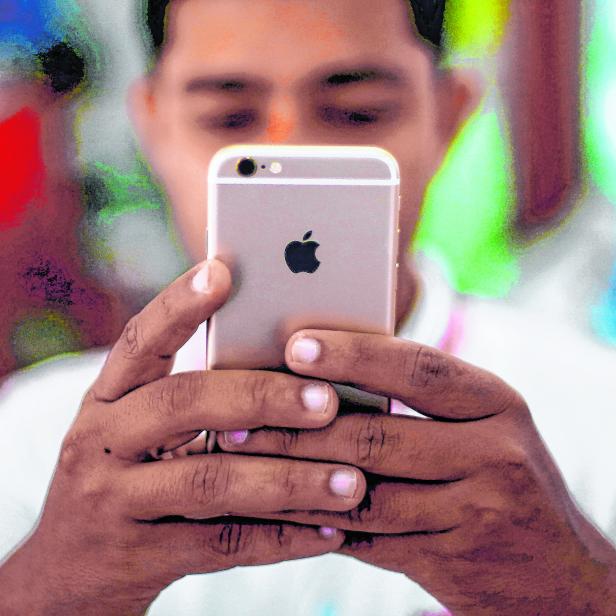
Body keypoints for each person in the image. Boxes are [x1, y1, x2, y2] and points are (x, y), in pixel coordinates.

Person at [1, 1, 616, 614]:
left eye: (357, 112)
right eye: (228, 116)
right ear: (153, 125)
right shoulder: (35, 440)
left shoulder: (597, 413)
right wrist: (56, 585)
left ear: (449, 117)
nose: (292, 149)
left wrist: (577, 590)